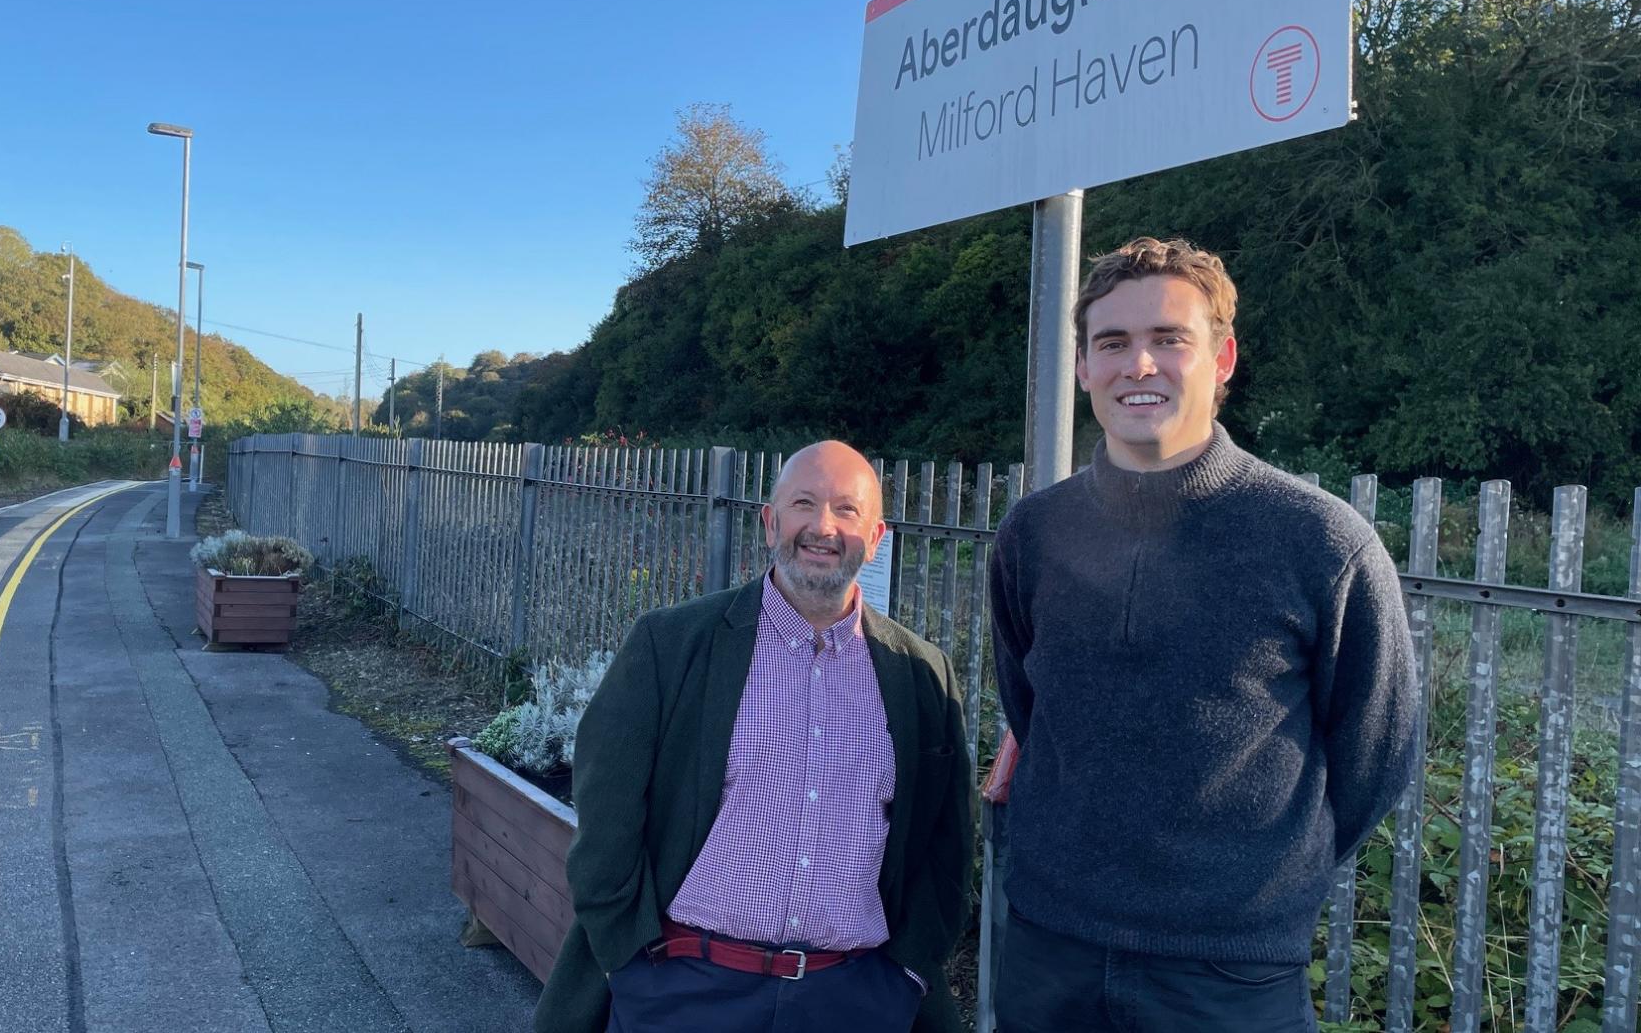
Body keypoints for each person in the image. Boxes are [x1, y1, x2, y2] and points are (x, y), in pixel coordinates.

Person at [987, 236, 1420, 1032]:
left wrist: (1245, 886)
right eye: (1112, 343)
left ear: (1221, 359)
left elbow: (1376, 753)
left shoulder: (1320, 540)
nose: (1138, 365)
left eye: (1168, 340)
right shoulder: (1032, 534)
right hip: (1050, 952)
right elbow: (1030, 705)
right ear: (1082, 367)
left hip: (1229, 972)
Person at [534, 440, 975, 1033]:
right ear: (770, 522)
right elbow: (606, 817)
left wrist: (908, 974)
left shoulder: (920, 673)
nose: (823, 527)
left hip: (855, 998)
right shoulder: (670, 645)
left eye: (846, 510)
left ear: (875, 538)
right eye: (803, 503)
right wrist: (629, 963)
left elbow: (948, 844)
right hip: (685, 991)